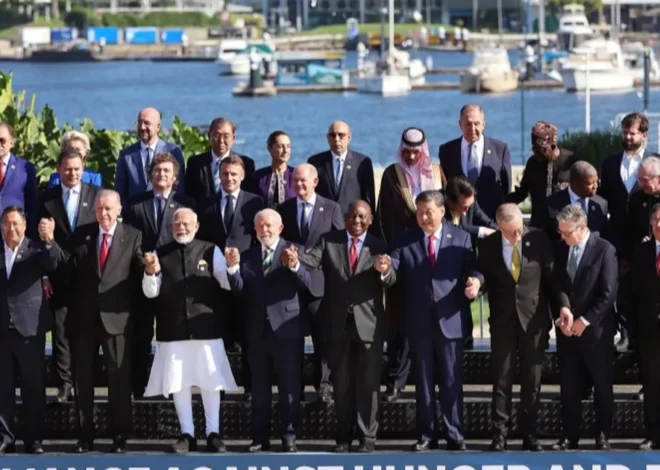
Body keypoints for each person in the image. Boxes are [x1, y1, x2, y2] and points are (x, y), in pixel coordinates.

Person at [381, 189, 483, 451]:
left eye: (429, 211)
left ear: (441, 211)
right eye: (420, 212)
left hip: (451, 320)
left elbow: (473, 268)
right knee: (423, 383)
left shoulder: (460, 238)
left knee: (451, 380)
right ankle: (426, 435)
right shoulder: (404, 240)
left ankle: (455, 432)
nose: (424, 217)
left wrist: (476, 282)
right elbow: (393, 272)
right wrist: (385, 270)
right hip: (419, 322)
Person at [300, 200, 394, 452]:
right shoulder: (329, 241)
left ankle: (367, 438)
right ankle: (343, 437)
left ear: (370, 220)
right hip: (337, 324)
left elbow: (391, 278)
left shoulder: (380, 246)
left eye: (362, 217)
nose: (357, 221)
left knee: (368, 385)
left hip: (368, 326)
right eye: (352, 216)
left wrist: (384, 271)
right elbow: (310, 261)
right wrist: (293, 259)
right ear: (345, 217)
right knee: (341, 385)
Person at [142, 208, 237, 453]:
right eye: (177, 223)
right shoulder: (160, 253)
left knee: (210, 381)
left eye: (186, 223)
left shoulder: (210, 250)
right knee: (178, 382)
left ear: (196, 226)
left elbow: (225, 284)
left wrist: (231, 267)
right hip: (172, 329)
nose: (181, 227)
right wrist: (150, 272)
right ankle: (187, 433)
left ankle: (213, 432)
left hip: (206, 328)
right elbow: (150, 292)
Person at [63, 190, 146, 454]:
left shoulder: (132, 235)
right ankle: (85, 435)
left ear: (119, 209)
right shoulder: (82, 235)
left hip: (117, 319)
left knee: (118, 380)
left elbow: (139, 267)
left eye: (109, 208)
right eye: (99, 209)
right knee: (82, 380)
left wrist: (150, 267)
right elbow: (67, 269)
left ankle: (119, 434)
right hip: (85, 320)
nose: (104, 213)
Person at [226, 209, 311, 453]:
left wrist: (294, 266)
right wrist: (232, 270)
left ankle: (289, 436)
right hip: (256, 332)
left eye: (270, 225)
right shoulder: (248, 255)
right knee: (259, 390)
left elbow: (307, 284)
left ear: (280, 228)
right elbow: (239, 290)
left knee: (289, 388)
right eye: (260, 225)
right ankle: (259, 438)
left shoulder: (295, 250)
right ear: (255, 229)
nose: (265, 229)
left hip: (286, 330)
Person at [478, 204, 557, 452]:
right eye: (511, 232)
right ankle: (500, 434)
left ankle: (530, 433)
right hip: (503, 323)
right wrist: (475, 286)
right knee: (502, 380)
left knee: (531, 381)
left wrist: (562, 309)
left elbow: (552, 279)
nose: (517, 236)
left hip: (533, 322)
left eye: (519, 229)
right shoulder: (488, 246)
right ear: (499, 227)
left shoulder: (538, 238)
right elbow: (483, 278)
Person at [377, 127, 445, 403]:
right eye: (408, 150)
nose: (413, 155)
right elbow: (384, 216)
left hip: (435, 253)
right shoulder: (392, 174)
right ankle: (395, 381)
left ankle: (439, 382)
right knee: (400, 322)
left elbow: (448, 211)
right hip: (403, 252)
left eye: (418, 150)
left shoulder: (438, 172)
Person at [122, 152, 196, 399]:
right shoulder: (135, 204)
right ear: (150, 174)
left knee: (170, 334)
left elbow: (188, 241)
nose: (161, 175)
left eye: (166, 171)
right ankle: (138, 386)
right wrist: (145, 262)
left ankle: (171, 387)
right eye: (157, 171)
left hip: (173, 278)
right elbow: (130, 239)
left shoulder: (186, 203)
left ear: (175, 177)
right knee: (141, 332)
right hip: (142, 275)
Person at [37, 148, 102, 404]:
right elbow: (39, 238)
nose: (72, 173)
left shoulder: (95, 195)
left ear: (83, 169)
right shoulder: (47, 199)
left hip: (88, 275)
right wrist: (44, 276)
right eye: (67, 169)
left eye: (77, 169)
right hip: (58, 276)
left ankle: (83, 382)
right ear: (58, 169)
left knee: (85, 331)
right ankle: (64, 384)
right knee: (61, 332)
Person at [551, 205, 617, 451]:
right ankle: (570, 435)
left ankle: (602, 433)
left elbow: (608, 293)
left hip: (596, 331)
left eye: (566, 233)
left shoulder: (604, 250)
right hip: (567, 330)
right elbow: (558, 283)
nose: (562, 237)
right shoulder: (561, 249)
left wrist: (585, 320)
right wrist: (564, 308)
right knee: (569, 384)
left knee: (601, 383)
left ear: (582, 228)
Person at [277, 163, 344, 403]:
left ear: (315, 182)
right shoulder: (283, 209)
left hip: (320, 284)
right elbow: (278, 241)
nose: (299, 185)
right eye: (295, 181)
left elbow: (339, 245)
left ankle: (324, 385)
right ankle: (295, 385)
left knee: (322, 338)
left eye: (304, 181)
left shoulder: (331, 208)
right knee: (292, 339)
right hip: (291, 284)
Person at [0, 207, 60, 454]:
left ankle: (33, 438)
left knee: (33, 387)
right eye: (6, 224)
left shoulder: (36, 249)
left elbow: (54, 261)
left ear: (25, 225)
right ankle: (5, 436)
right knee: (3, 388)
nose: (11, 229)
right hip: (2, 330)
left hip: (29, 329)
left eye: (15, 224)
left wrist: (50, 240)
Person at [600, 112, 656, 353]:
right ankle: (624, 334)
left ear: (644, 135)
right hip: (617, 237)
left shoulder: (656, 161)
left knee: (644, 291)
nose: (628, 137)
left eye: (632, 132)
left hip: (647, 238)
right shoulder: (610, 163)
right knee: (619, 290)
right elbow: (605, 198)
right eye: (624, 132)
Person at [438, 104, 512, 219]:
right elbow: (446, 186)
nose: (472, 129)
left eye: (476, 124)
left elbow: (506, 188)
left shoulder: (500, 149)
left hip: (492, 221)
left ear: (483, 124)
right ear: (460, 124)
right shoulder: (447, 151)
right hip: (459, 221)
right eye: (468, 124)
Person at [508, 121, 581, 228]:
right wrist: (502, 203)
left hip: (565, 225)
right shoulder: (533, 163)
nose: (538, 154)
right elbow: (522, 192)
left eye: (543, 150)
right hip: (539, 223)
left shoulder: (571, 161)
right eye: (535, 150)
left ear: (553, 145)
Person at [630, 203, 660, 450]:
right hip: (649, 330)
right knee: (652, 384)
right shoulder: (641, 252)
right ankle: (653, 433)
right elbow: (634, 293)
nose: (659, 225)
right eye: (656, 220)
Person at [115, 108, 186, 205]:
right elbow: (120, 190)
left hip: (166, 211)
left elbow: (180, 186)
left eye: (147, 123)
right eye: (139, 122)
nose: (142, 127)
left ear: (158, 127)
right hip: (135, 214)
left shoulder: (173, 151)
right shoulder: (126, 155)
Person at [308, 121, 376, 216]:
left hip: (352, 221)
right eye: (332, 135)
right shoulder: (316, 162)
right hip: (324, 222)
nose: (336, 139)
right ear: (328, 138)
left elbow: (369, 198)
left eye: (341, 135)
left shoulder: (362, 162)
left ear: (349, 137)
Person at [186, 117, 256, 207]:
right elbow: (189, 195)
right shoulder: (195, 163)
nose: (221, 141)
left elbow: (248, 195)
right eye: (216, 135)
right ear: (209, 136)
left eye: (226, 136)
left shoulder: (246, 164)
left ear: (233, 138)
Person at [541, 161, 608, 245]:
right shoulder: (551, 204)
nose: (595, 186)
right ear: (575, 183)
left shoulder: (601, 204)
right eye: (589, 183)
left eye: (596, 182)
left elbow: (605, 235)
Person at [0, 123, 38, 236]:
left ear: (12, 142)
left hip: (14, 233)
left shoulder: (25, 168)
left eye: (2, 140)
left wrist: (30, 236)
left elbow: (32, 205)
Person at [251, 130, 296, 208]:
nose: (285, 151)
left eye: (288, 146)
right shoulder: (258, 176)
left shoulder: (296, 175)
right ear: (270, 148)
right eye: (280, 146)